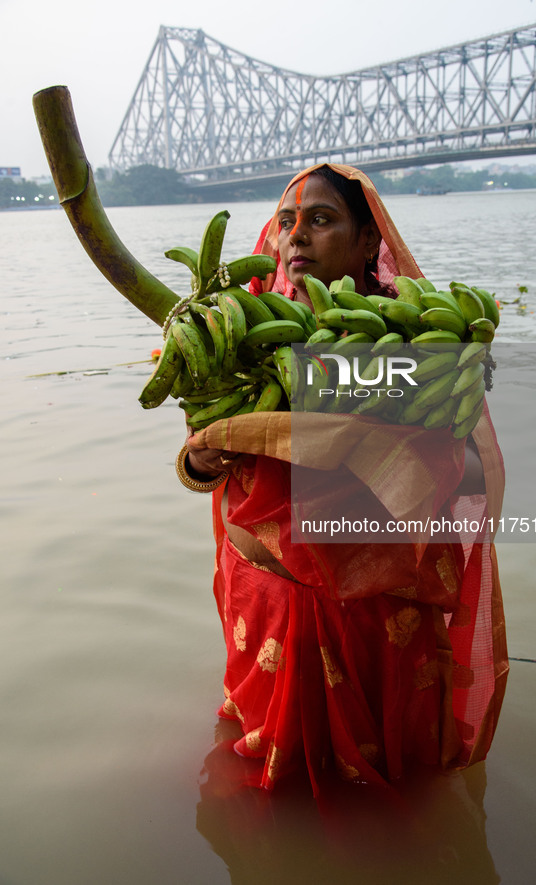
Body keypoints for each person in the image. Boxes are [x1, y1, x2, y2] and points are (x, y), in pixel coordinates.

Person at [176, 163, 508, 796]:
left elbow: (467, 474)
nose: (296, 237)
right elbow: (196, 456)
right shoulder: (239, 335)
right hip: (268, 596)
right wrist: (201, 461)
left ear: (366, 243)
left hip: (373, 604)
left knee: (386, 791)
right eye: (287, 222)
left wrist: (380, 447)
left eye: (321, 220)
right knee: (274, 776)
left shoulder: (415, 349)